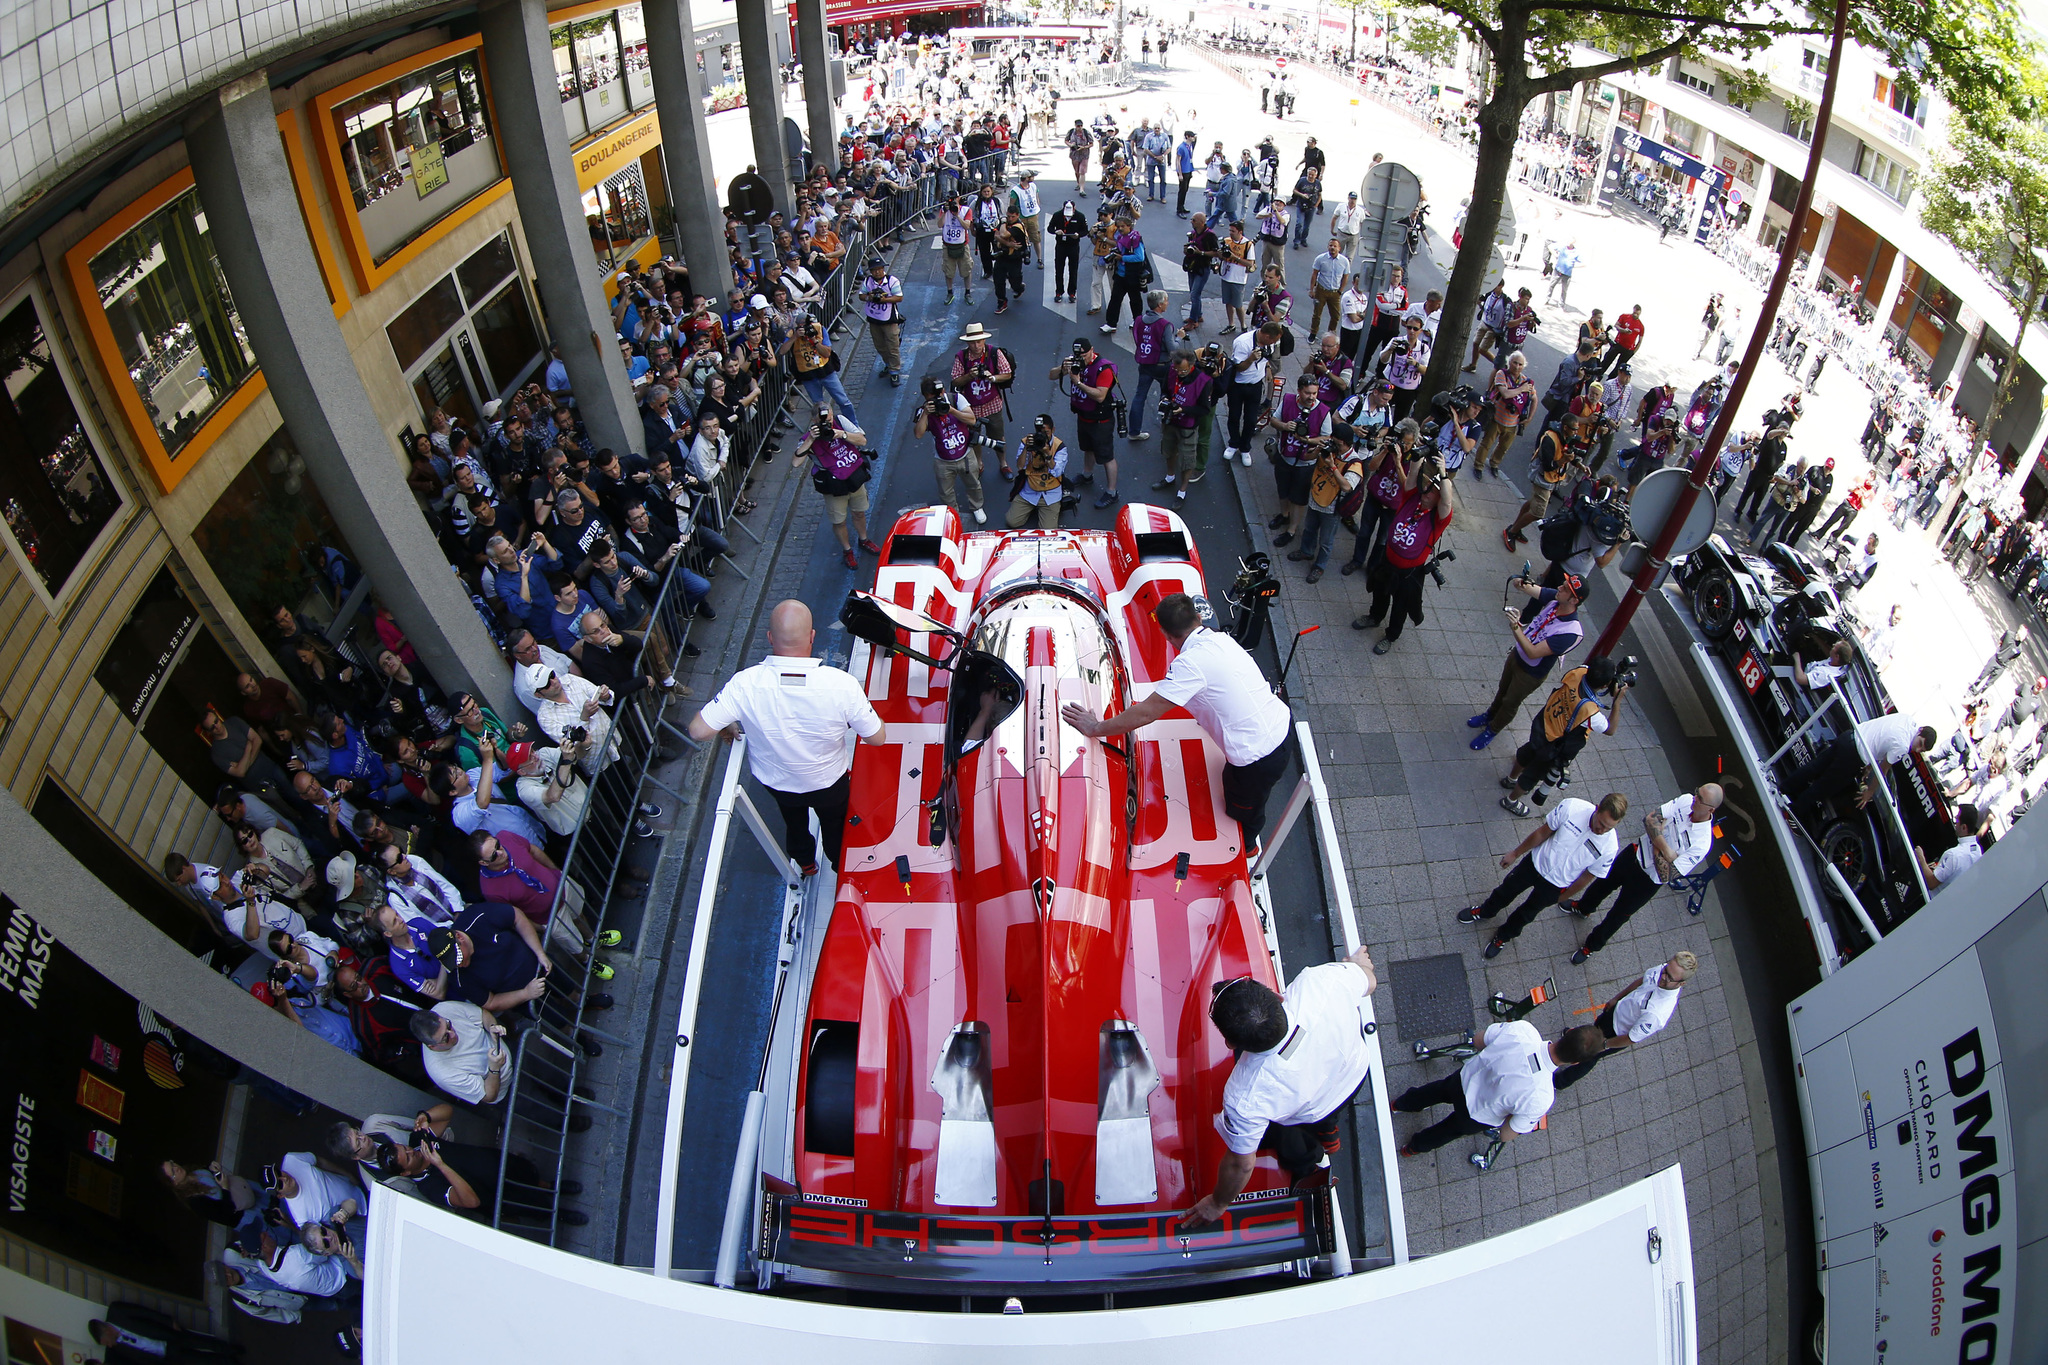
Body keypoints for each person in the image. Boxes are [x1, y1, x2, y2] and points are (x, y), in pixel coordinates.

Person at [1060, 592, 1291, 844]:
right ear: (1198, 617)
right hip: (1280, 726)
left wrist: (1095, 727)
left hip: (1257, 757)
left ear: (1166, 635)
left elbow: (1148, 712)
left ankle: (1246, 847)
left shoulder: (1190, 664)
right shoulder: (1221, 641)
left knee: (1241, 811)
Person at [1177, 943, 1381, 1228]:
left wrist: (1218, 1202)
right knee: (1326, 1117)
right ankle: (1329, 1133)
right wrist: (1354, 966)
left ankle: (1319, 1145)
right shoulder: (1321, 981)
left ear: (1231, 1043)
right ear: (1277, 997)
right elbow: (1368, 982)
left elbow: (1241, 1163)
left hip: (1311, 1110)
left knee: (1293, 1131)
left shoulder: (1244, 1098)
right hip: (1353, 1075)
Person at [687, 600, 886, 876]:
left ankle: (805, 861)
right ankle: (838, 864)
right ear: (812, 636)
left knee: (793, 821)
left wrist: (729, 721)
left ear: (770, 638)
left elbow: (698, 730)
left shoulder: (744, 684)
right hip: (829, 782)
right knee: (835, 824)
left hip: (778, 783)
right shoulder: (842, 685)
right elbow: (876, 737)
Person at [1455, 792, 1628, 959]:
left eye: (1609, 827)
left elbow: (1587, 877)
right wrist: (1515, 853)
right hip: (1535, 864)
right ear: (1597, 809)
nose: (1602, 830)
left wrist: (1563, 897)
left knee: (1527, 914)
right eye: (1601, 823)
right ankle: (1485, 911)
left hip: (1556, 884)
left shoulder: (1610, 848)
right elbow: (1542, 832)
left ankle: (1504, 936)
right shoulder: (1572, 807)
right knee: (1505, 891)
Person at [1393, 1020, 1605, 1154]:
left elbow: (1478, 1040)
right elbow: (1507, 1134)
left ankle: (1400, 1104)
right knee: (1444, 1133)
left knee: (1434, 1091)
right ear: (1575, 1063)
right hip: (1476, 1117)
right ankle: (1413, 1148)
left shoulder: (1524, 1030)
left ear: (1568, 1032)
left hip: (1464, 1079)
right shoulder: (1542, 1096)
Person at [1567, 786, 1720, 963]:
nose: (1694, 798)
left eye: (1700, 798)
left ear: (1711, 809)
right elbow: (1649, 820)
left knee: (1618, 915)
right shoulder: (1685, 800)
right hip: (1635, 853)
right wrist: (1667, 852)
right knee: (1602, 884)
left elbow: (1667, 875)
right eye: (1697, 793)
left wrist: (1656, 837)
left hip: (1648, 881)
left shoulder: (1702, 843)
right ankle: (1583, 908)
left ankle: (1590, 947)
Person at [1469, 572, 1587, 750]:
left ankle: (1492, 730)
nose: (1559, 588)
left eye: (1565, 589)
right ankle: (1490, 714)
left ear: (1574, 601)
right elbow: (1535, 590)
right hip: (1517, 655)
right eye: (1562, 584)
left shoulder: (1570, 632)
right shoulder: (1556, 600)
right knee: (1502, 689)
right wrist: (1520, 583)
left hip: (1531, 673)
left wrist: (1516, 626)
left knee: (1510, 702)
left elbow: (1533, 653)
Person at [1499, 655, 1631, 813]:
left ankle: (1511, 779)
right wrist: (1617, 700)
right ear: (1604, 686)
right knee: (1531, 776)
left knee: (1526, 752)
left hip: (1543, 723)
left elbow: (1588, 672)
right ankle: (1511, 800)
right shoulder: (1589, 711)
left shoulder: (1578, 672)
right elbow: (1610, 729)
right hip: (1552, 745)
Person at [1354, 447, 1455, 653]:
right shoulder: (1411, 498)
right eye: (1427, 487)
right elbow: (1413, 475)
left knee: (1400, 606)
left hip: (1409, 573)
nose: (1427, 492)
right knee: (1380, 593)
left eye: (1433, 492)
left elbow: (1447, 500)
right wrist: (1419, 454)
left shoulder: (1438, 519)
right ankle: (1374, 617)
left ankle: (1391, 636)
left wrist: (1444, 474)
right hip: (1388, 561)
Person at [1550, 952, 1695, 1090]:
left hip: (1616, 1034)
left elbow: (1631, 1038)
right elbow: (1640, 982)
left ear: (1680, 984)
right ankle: (1573, 1043)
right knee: (1590, 1032)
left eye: (1669, 977)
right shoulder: (1665, 970)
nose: (1662, 976)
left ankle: (1560, 1082)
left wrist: (1604, 1045)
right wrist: (1617, 998)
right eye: (1665, 969)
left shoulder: (1657, 1013)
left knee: (1590, 1057)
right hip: (1615, 1013)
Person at [1779, 712, 1938, 825]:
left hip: (1850, 736)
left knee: (1815, 767)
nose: (1916, 750)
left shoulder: (1906, 719)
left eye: (1921, 750)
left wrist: (1869, 764)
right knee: (1824, 786)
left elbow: (1881, 737)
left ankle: (1785, 787)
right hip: (1854, 756)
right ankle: (1794, 811)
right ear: (1920, 731)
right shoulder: (1903, 746)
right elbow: (1883, 770)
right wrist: (1869, 792)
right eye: (1920, 744)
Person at [795, 406, 878, 570]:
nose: (827, 424)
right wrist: (811, 439)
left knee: (859, 512)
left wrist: (841, 434)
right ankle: (847, 550)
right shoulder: (809, 437)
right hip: (834, 485)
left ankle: (864, 539)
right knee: (839, 521)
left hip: (854, 477)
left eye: (829, 419)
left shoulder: (840, 422)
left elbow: (862, 440)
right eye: (822, 421)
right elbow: (796, 462)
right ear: (814, 421)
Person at [1053, 336, 1120, 507]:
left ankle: (1112, 492)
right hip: (1083, 416)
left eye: (1083, 355)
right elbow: (1051, 375)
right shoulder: (1074, 363)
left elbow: (1100, 396)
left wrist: (1078, 382)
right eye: (1078, 356)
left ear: (1092, 350)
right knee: (1087, 448)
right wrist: (1063, 368)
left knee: (1106, 456)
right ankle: (1087, 475)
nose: (1081, 359)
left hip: (1101, 420)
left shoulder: (1104, 368)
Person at [914, 375, 987, 525]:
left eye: (938, 397)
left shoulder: (956, 399)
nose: (936, 401)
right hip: (943, 459)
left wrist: (951, 410)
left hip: (966, 454)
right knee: (946, 492)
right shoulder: (924, 411)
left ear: (943, 392)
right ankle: (953, 514)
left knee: (973, 483)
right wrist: (926, 414)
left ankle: (977, 506)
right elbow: (918, 434)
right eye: (931, 399)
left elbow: (971, 420)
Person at [412, 999, 512, 1105]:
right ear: (433, 1046)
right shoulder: (443, 1073)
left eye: (448, 1025)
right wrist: (495, 1069)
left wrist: (492, 1027)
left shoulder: (444, 1008)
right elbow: (488, 1095)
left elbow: (482, 1014)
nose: (453, 1034)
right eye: (446, 1038)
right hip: (505, 1089)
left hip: (510, 1050)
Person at [951, 322, 1014, 471]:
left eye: (978, 341)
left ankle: (1003, 463)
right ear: (967, 343)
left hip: (992, 404)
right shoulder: (961, 357)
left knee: (998, 436)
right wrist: (969, 376)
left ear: (984, 340)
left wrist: (992, 378)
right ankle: (979, 463)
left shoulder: (994, 353)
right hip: (971, 407)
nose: (976, 345)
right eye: (972, 342)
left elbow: (1007, 373)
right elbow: (955, 380)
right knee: (975, 438)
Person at [92, 1304, 246, 1362]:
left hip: (164, 1334)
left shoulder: (117, 1312)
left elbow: (144, 1312)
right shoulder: (118, 1349)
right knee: (198, 1359)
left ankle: (231, 1349)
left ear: (105, 1330)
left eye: (105, 1341)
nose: (108, 1345)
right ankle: (229, 1362)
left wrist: (167, 1321)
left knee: (200, 1342)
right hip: (164, 1354)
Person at [1915, 803, 1992, 891]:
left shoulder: (1953, 855)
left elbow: (1931, 883)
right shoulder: (1977, 851)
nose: (1955, 824)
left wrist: (1921, 858)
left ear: (1964, 827)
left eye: (1957, 821)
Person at [858, 256, 905, 385]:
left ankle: (894, 371)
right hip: (874, 319)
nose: (877, 272)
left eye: (880, 269)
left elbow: (899, 297)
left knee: (893, 346)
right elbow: (861, 295)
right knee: (880, 346)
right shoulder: (868, 281)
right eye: (874, 270)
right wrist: (870, 297)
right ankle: (888, 364)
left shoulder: (892, 281)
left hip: (889, 319)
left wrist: (884, 299)